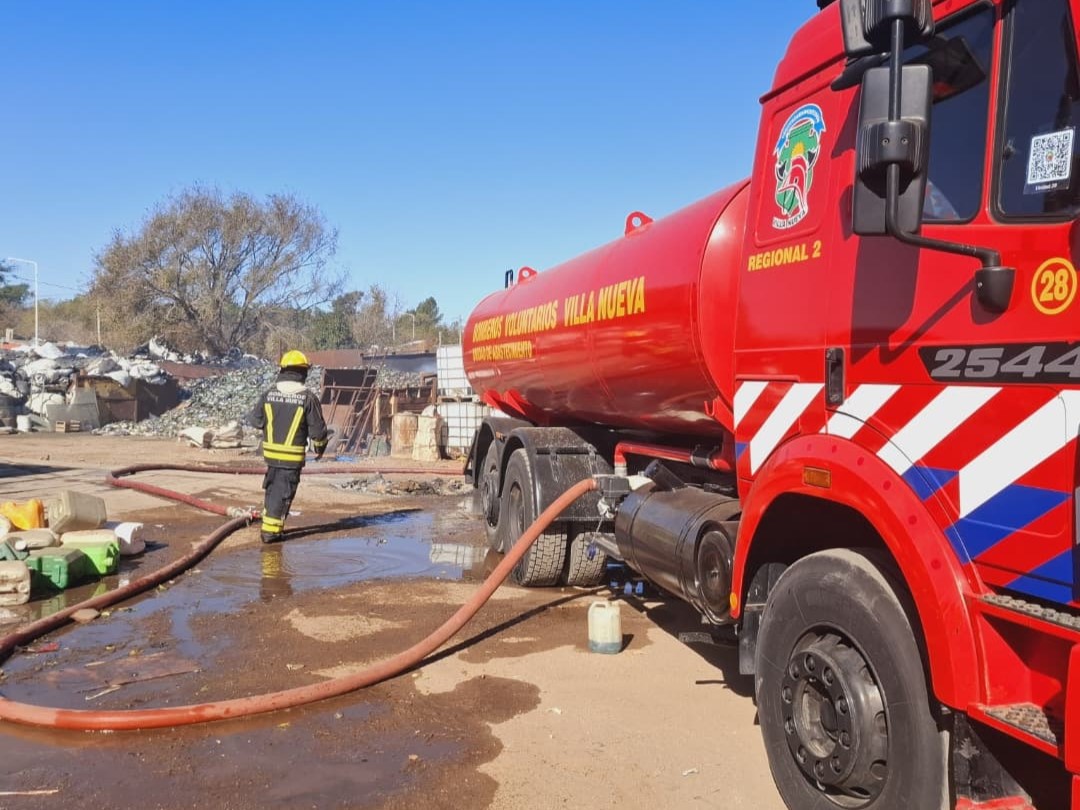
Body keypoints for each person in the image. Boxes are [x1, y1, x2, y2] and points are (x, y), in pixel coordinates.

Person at [249, 350, 328, 543]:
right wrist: (320, 449)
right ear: (303, 372)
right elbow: (318, 433)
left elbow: (255, 421)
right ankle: (271, 533)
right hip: (291, 460)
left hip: (271, 457)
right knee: (283, 495)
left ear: (283, 370)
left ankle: (270, 527)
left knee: (273, 491)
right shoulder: (307, 398)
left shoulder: (268, 394)